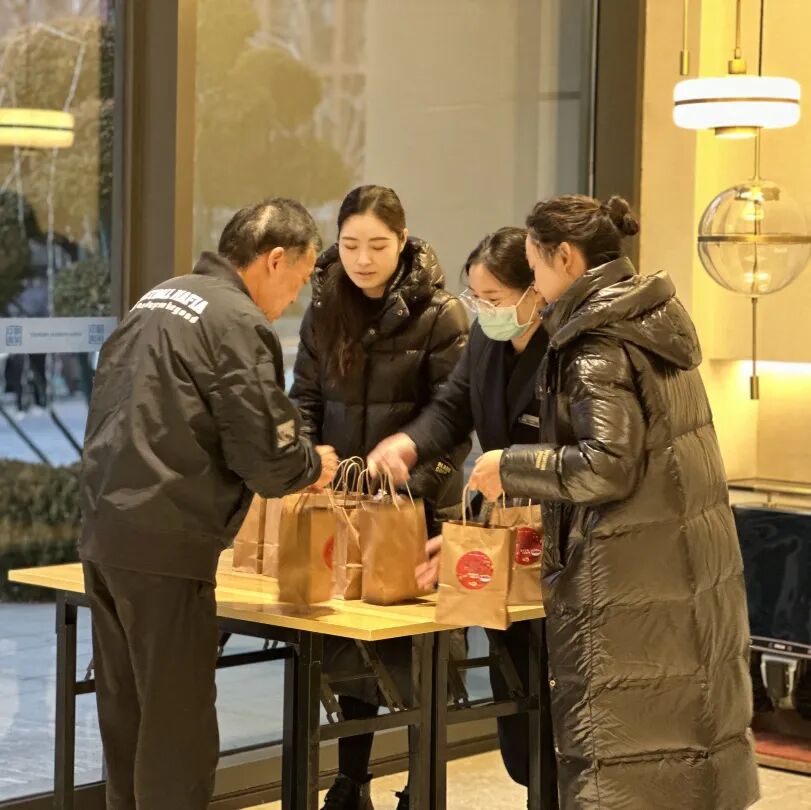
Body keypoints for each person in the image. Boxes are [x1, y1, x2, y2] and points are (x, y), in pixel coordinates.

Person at [468, 194, 760, 809]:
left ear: (565, 258)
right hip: (674, 570)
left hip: (626, 584)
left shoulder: (595, 342)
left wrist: (510, 466)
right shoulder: (651, 317)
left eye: (535, 265)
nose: (535, 282)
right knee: (682, 757)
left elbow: (607, 465)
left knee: (625, 769)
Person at [79, 198, 339, 810]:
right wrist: (312, 464)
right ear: (275, 259)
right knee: (177, 734)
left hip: (106, 530)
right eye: (300, 280)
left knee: (129, 721)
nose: (293, 299)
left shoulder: (157, 299)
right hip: (167, 541)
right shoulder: (235, 320)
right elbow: (266, 456)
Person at [290, 184, 470, 810]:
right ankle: (351, 782)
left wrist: (402, 485)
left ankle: (422, 787)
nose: (363, 259)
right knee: (347, 651)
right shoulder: (323, 306)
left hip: (419, 504)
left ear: (403, 241)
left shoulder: (442, 313)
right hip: (341, 506)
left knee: (421, 659)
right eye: (350, 245)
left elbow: (453, 418)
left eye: (377, 245)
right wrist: (306, 462)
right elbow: (304, 399)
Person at [368, 225, 547, 795]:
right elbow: (450, 408)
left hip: (556, 535)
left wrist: (512, 466)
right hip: (501, 528)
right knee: (518, 712)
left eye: (494, 299)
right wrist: (408, 443)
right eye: (477, 298)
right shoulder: (488, 342)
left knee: (553, 714)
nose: (485, 311)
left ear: (535, 291)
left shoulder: (567, 350)